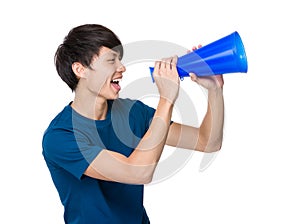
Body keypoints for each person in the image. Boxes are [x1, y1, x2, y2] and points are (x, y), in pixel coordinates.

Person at [42, 24, 224, 224]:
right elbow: (137, 172)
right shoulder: (60, 136)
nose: (122, 68)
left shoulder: (132, 112)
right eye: (111, 60)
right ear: (80, 69)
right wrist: (167, 100)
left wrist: (215, 91)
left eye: (120, 60)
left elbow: (207, 142)